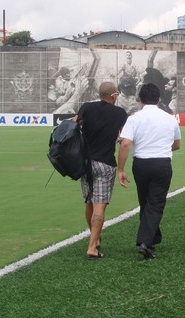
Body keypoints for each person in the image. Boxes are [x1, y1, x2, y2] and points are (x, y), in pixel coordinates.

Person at [117, 83, 181, 259]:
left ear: (140, 100)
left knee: (146, 201)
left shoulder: (134, 118)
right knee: (155, 203)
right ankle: (145, 242)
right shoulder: (170, 118)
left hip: (141, 164)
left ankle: (152, 237)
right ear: (159, 99)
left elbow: (125, 144)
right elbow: (176, 145)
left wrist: (120, 169)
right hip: (162, 163)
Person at [74, 82, 128, 260]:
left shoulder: (87, 108)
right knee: (100, 205)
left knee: (89, 202)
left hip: (86, 163)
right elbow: (123, 137)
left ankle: (95, 238)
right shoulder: (120, 113)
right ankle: (92, 247)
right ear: (113, 96)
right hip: (105, 164)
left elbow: (74, 124)